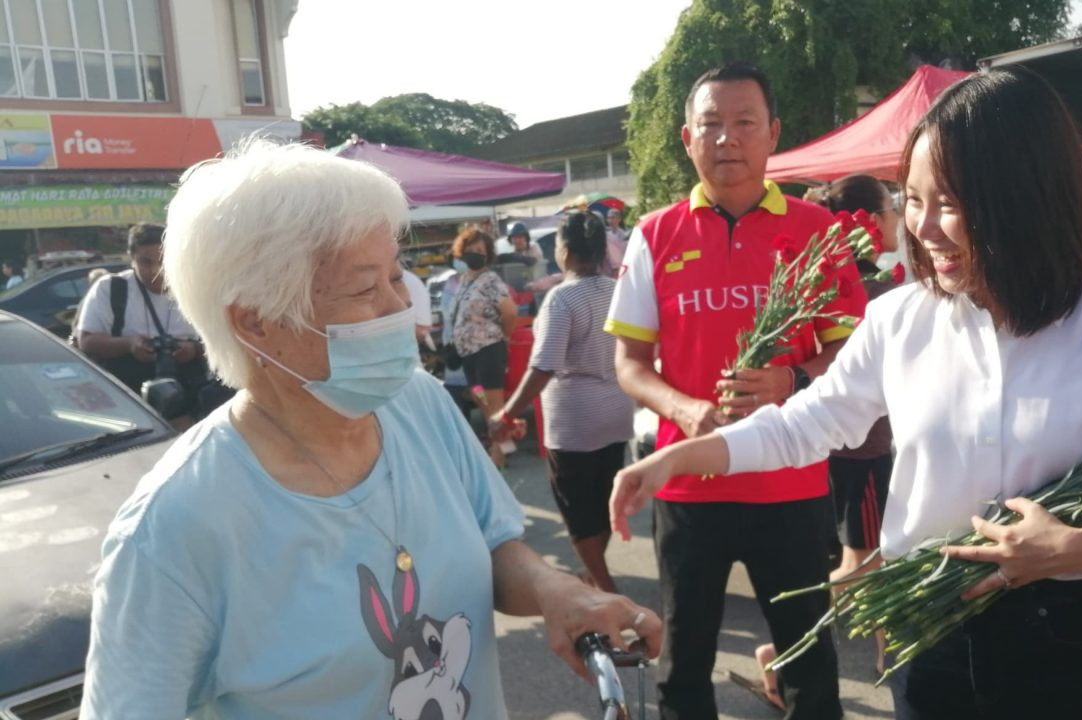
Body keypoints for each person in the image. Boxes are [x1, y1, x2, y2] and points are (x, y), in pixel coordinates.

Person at [611, 68, 1082, 720]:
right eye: (911, 199)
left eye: (950, 202)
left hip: (1078, 642)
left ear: (1028, 195)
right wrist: (678, 457)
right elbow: (807, 422)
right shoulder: (900, 320)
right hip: (929, 631)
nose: (924, 227)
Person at [81, 140, 662, 719]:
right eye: (364, 289)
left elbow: (494, 543)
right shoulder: (173, 531)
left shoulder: (420, 405)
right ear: (256, 321)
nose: (400, 311)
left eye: (396, 277)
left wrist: (556, 592)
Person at [606, 62, 860, 718]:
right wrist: (684, 408)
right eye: (710, 125)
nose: (727, 139)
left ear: (772, 134)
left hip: (792, 481)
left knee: (808, 659)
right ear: (686, 138)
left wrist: (792, 378)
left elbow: (852, 352)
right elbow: (629, 363)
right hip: (689, 488)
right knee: (684, 660)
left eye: (744, 123)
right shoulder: (655, 235)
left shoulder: (815, 231)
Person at [753, 174, 902, 690]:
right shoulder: (875, 288)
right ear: (874, 220)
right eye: (895, 207)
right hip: (864, 449)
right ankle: (786, 648)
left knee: (875, 554)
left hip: (848, 444)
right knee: (869, 559)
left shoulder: (838, 279)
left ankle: (884, 648)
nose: (899, 218)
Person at [489, 212, 634, 593]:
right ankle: (596, 571)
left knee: (574, 503)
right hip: (616, 409)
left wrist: (508, 412)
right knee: (601, 496)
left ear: (565, 251)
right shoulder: (617, 289)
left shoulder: (562, 298)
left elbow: (544, 365)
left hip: (575, 418)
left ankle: (603, 584)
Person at [74, 223, 208, 423]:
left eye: (163, 262)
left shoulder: (194, 290)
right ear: (131, 258)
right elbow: (87, 340)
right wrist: (130, 345)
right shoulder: (111, 289)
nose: (156, 271)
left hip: (189, 396)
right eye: (145, 262)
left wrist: (195, 349)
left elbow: (226, 342)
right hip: (130, 401)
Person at [449, 226, 519, 467]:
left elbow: (510, 312)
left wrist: (504, 337)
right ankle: (505, 445)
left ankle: (497, 456)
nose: (474, 254)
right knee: (483, 402)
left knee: (495, 405)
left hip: (488, 351)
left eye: (480, 250)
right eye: (470, 249)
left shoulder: (490, 280)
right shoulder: (465, 279)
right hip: (469, 355)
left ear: (487, 254)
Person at [603, 208, 628, 277]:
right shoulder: (606, 235)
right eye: (609, 218)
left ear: (619, 219)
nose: (610, 220)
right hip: (609, 270)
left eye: (613, 218)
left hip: (623, 268)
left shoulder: (624, 235)